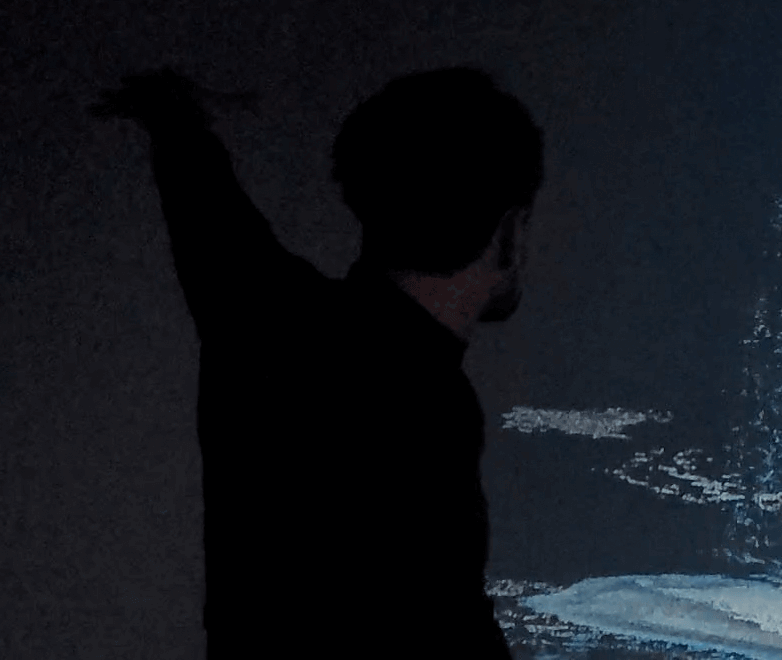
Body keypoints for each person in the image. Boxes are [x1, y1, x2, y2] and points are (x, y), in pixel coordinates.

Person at [93, 65, 541, 659]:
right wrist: (177, 121)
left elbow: (206, 207)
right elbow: (448, 625)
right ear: (509, 233)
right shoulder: (430, 409)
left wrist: (175, 118)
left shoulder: (264, 314)